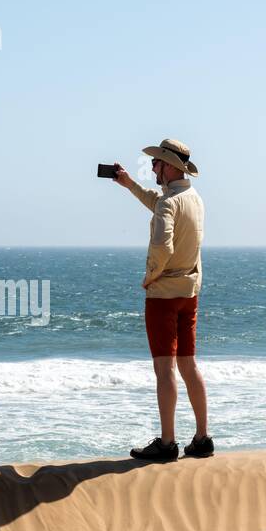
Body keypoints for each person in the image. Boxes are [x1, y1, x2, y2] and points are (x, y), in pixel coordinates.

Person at [109, 138, 214, 461]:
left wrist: (151, 275)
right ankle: (202, 437)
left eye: (156, 163)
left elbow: (162, 246)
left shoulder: (170, 204)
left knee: (164, 369)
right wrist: (129, 185)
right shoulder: (193, 198)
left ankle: (167, 443)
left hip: (164, 295)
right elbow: (159, 201)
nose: (152, 167)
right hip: (189, 293)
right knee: (188, 364)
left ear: (169, 166)